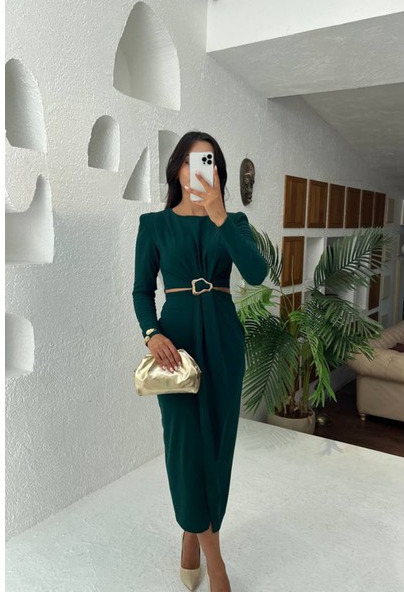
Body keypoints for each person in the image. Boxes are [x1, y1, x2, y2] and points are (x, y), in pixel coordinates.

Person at [132, 131, 267, 592]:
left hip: (224, 342)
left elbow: (257, 273)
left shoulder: (234, 221)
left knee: (216, 448)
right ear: (177, 169)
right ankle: (217, 561)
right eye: (191, 162)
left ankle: (191, 537)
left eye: (208, 162)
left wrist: (219, 216)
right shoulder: (154, 225)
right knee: (185, 447)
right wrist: (152, 333)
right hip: (176, 347)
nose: (199, 170)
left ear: (218, 173)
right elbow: (141, 291)